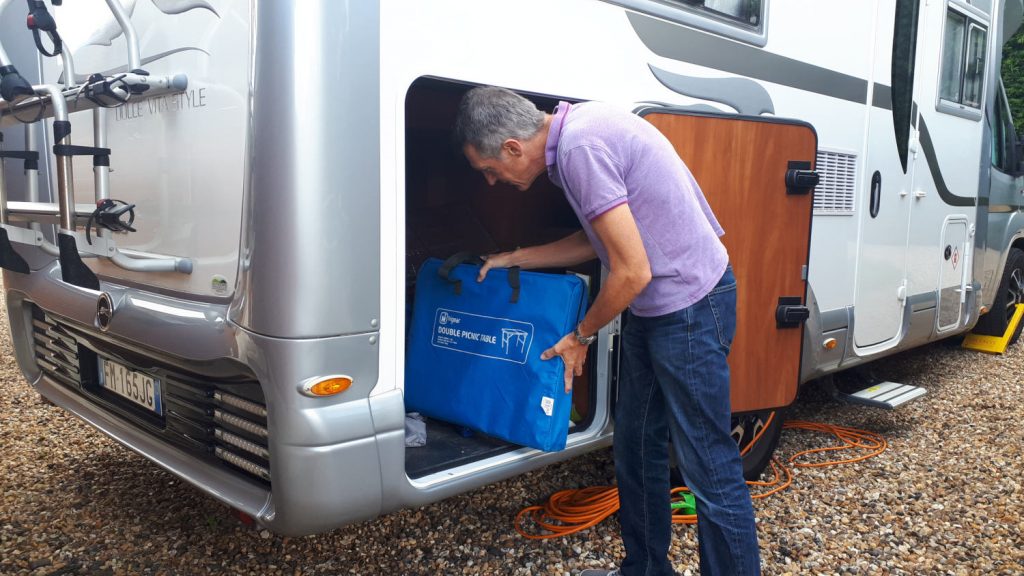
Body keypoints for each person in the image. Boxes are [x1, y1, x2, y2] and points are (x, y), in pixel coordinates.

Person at [453, 86, 761, 576]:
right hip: (656, 308)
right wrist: (516, 257)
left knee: (707, 463)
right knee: (636, 446)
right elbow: (598, 238)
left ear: (513, 147)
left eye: (490, 170)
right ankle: (644, 570)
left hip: (691, 305)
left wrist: (581, 334)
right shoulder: (577, 135)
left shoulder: (581, 148)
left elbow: (631, 270)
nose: (492, 182)